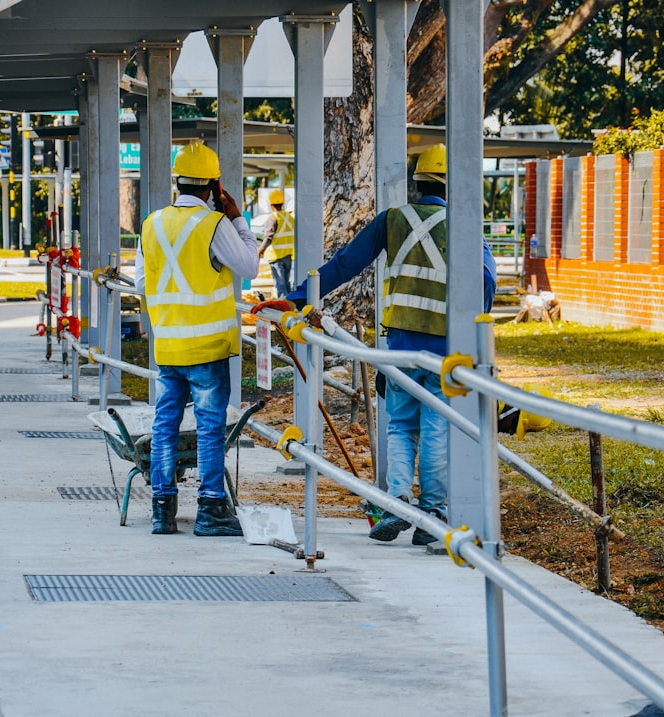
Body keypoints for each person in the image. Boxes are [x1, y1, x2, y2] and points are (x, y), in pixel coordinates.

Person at [279, 144, 497, 546]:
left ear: (417, 183)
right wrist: (476, 334)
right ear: (453, 185)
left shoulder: (392, 220)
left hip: (398, 345)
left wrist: (297, 297)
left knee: (400, 425)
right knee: (436, 426)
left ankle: (398, 499)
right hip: (446, 351)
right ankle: (432, 512)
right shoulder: (466, 226)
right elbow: (485, 281)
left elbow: (346, 263)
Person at [133, 141, 258, 537]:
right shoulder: (215, 224)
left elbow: (141, 284)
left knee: (165, 425)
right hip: (207, 347)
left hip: (168, 345)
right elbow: (250, 266)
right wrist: (237, 219)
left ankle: (162, 511)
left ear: (178, 182)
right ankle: (210, 510)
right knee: (209, 428)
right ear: (214, 186)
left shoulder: (152, 224)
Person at [258, 188, 295, 297]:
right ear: (283, 203)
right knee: (286, 283)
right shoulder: (289, 217)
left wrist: (260, 250)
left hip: (275, 256)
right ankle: (290, 303)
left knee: (280, 284)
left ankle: (283, 305)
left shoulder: (273, 218)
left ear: (271, 205)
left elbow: (268, 236)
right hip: (288, 255)